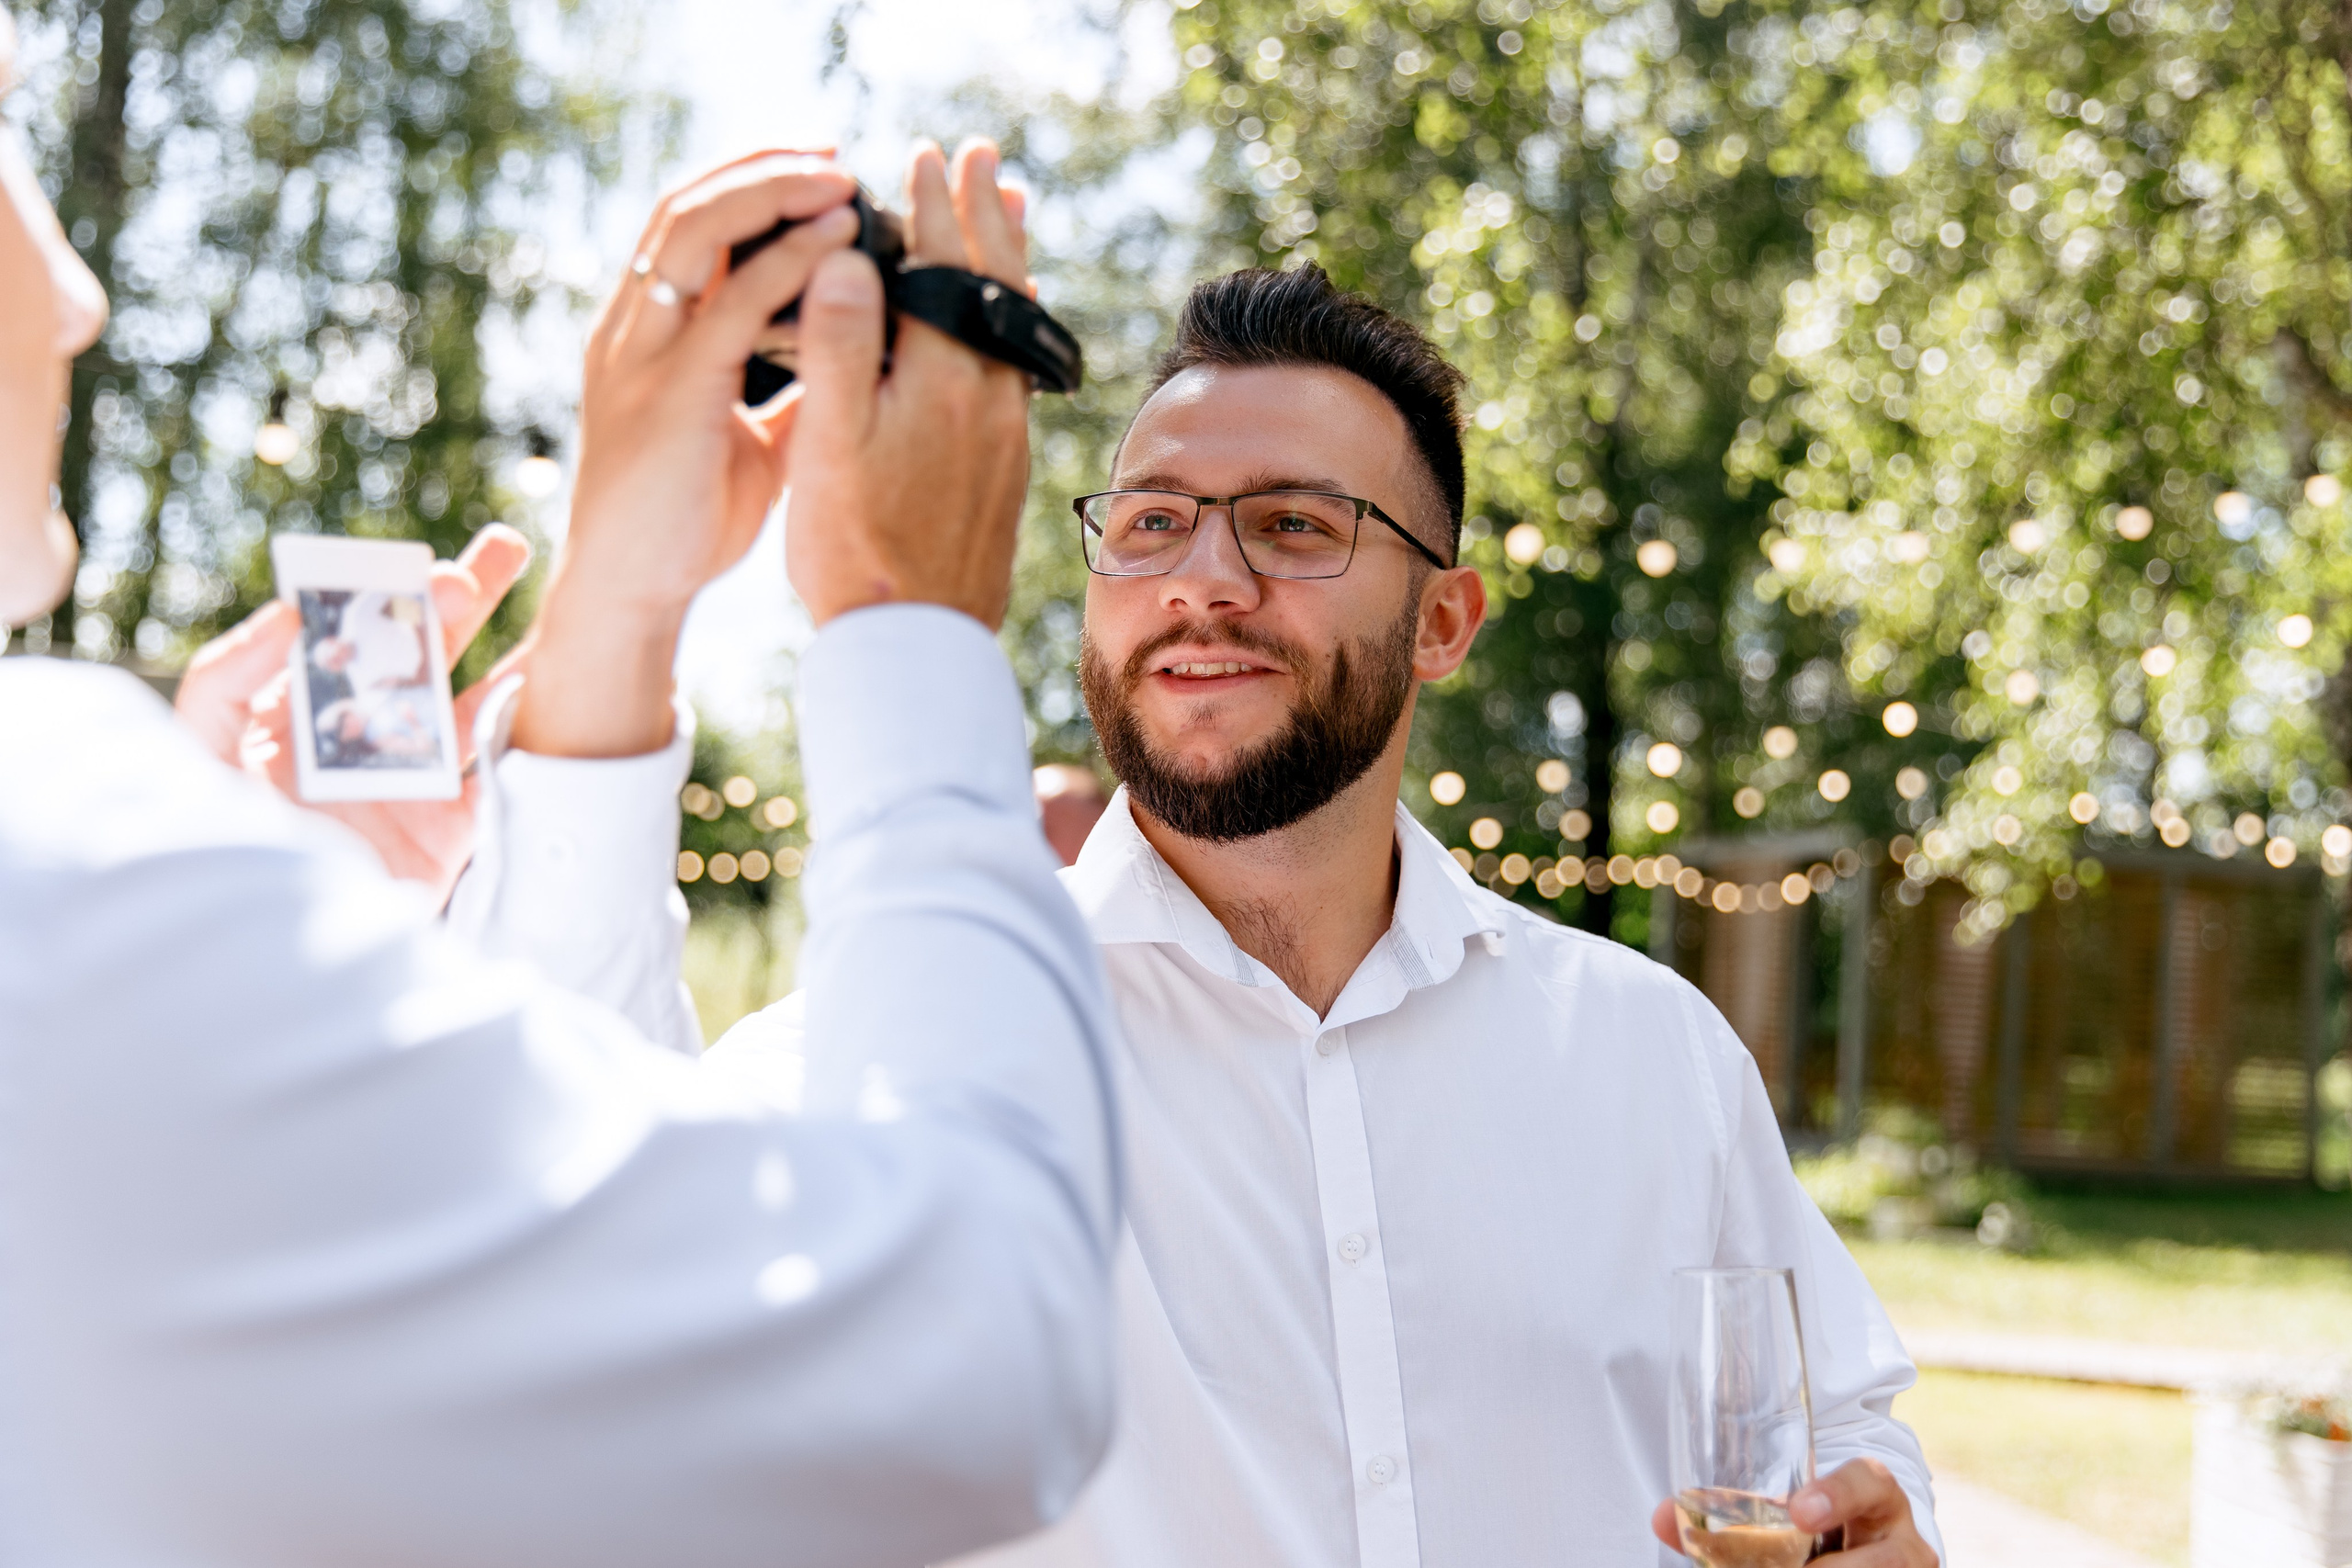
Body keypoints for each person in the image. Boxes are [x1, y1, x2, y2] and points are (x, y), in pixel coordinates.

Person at [0, 6, 1120, 1558]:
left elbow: (501, 1313)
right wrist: (907, 623)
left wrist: (617, 620)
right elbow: (978, 1353)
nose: (73, 293)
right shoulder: (59, 864)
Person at [703, 265, 1944, 1567]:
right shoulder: (877, 1069)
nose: (1205, 581)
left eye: (1295, 526)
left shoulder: (1655, 1056)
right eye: (1152, 522)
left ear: (1443, 622)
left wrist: (1868, 1526)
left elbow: (1833, 1428)